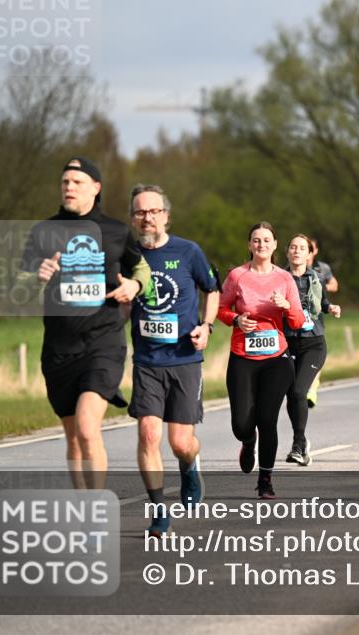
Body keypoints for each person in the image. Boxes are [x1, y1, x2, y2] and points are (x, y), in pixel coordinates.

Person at [19, 157, 152, 488]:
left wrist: (134, 286)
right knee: (73, 438)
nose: (69, 187)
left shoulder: (116, 231)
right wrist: (35, 275)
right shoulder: (43, 231)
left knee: (86, 428)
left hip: (103, 343)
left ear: (96, 187)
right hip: (59, 349)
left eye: (77, 181)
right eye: (65, 181)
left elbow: (143, 270)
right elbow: (18, 281)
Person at [126, 184, 219, 535]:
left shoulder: (188, 251)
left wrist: (207, 327)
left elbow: (212, 289)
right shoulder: (127, 255)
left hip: (184, 358)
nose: (147, 218)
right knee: (149, 435)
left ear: (165, 215)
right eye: (140, 212)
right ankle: (158, 510)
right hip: (147, 361)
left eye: (153, 211)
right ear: (133, 218)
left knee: (180, 442)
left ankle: (190, 464)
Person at [218, 222, 305, 499]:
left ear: (275, 244)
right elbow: (219, 308)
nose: (261, 245)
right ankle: (247, 440)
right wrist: (236, 319)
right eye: (256, 240)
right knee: (242, 423)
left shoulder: (284, 279)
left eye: (266, 240)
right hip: (242, 357)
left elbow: (299, 321)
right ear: (249, 245)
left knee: (267, 418)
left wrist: (287, 307)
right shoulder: (237, 276)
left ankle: (265, 479)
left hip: (276, 359)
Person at [282, 234, 342, 465]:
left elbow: (323, 303)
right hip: (286, 342)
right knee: (291, 395)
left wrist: (332, 308)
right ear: (287, 252)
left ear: (310, 254)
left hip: (313, 342)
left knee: (299, 391)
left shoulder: (317, 277)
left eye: (302, 248)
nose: (297, 251)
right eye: (293, 247)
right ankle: (302, 443)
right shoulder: (278, 277)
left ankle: (298, 444)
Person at [305, 237, 338, 408]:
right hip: (297, 315)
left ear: (314, 251)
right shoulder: (290, 267)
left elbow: (334, 284)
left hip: (317, 313)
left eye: (309, 248)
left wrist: (321, 285)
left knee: (316, 350)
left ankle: (312, 388)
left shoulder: (322, 268)